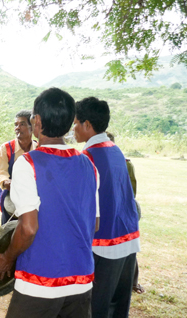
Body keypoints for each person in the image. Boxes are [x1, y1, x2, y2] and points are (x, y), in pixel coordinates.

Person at [0, 88, 99, 318]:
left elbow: (28, 228)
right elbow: (94, 224)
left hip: (41, 280)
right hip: (82, 279)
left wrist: (7, 259)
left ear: (36, 121)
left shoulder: (28, 164)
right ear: (69, 124)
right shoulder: (89, 164)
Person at [74, 98, 140, 318]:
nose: (73, 128)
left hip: (105, 242)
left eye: (75, 123)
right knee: (119, 305)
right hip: (128, 236)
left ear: (87, 125)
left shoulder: (88, 157)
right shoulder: (115, 149)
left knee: (97, 306)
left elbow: (84, 207)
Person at [106, 132, 144, 294]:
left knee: (128, 248)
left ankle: (133, 282)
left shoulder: (125, 164)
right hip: (109, 212)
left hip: (125, 209)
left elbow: (131, 192)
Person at [0, 110, 38, 225]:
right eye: (16, 125)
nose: (17, 128)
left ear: (32, 127)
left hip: (35, 202)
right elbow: (1, 172)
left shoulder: (39, 149)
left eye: (22, 124)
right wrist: (6, 182)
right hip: (11, 201)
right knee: (9, 234)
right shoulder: (6, 148)